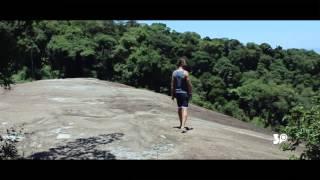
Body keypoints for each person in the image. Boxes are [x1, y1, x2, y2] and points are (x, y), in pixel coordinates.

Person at [171, 57, 192, 131]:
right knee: (185, 108)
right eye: (184, 63)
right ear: (182, 64)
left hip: (177, 93)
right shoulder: (185, 73)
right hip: (184, 93)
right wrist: (190, 92)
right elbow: (189, 84)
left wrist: (172, 94)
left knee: (179, 108)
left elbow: (173, 85)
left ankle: (180, 124)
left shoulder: (174, 73)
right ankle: (183, 126)